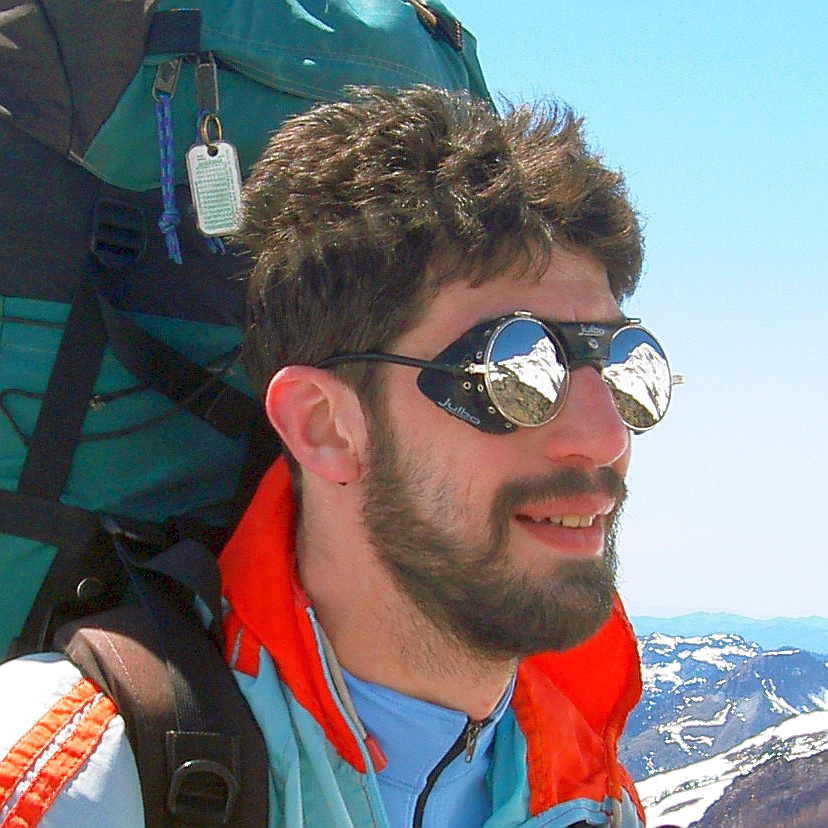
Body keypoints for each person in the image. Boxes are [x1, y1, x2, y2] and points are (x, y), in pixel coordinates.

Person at [0, 85, 673, 827]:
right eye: (516, 368)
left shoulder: (592, 798)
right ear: (324, 426)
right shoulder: (71, 785)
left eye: (621, 363)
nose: (609, 436)